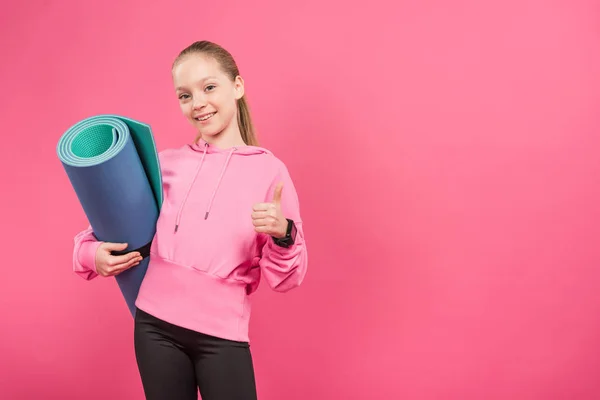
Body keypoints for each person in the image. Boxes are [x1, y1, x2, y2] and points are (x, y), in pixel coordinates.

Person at [71, 40, 308, 400]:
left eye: (209, 87)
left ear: (238, 87)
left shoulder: (269, 172)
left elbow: (288, 278)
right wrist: (94, 257)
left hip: (223, 335)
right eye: (185, 95)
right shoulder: (164, 164)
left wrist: (283, 233)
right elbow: (95, 234)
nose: (198, 103)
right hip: (154, 327)